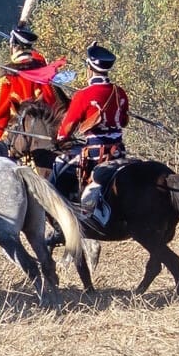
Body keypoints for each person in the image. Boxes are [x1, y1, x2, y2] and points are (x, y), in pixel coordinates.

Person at [54, 45, 130, 228]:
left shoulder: (83, 95)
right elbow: (125, 121)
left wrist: (60, 138)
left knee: (58, 169)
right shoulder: (119, 92)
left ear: (89, 68)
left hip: (95, 153)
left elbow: (66, 129)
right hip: (118, 151)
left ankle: (60, 222)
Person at [0, 25, 58, 154]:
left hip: (18, 148)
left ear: (13, 47)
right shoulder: (46, 78)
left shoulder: (7, 81)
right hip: (51, 142)